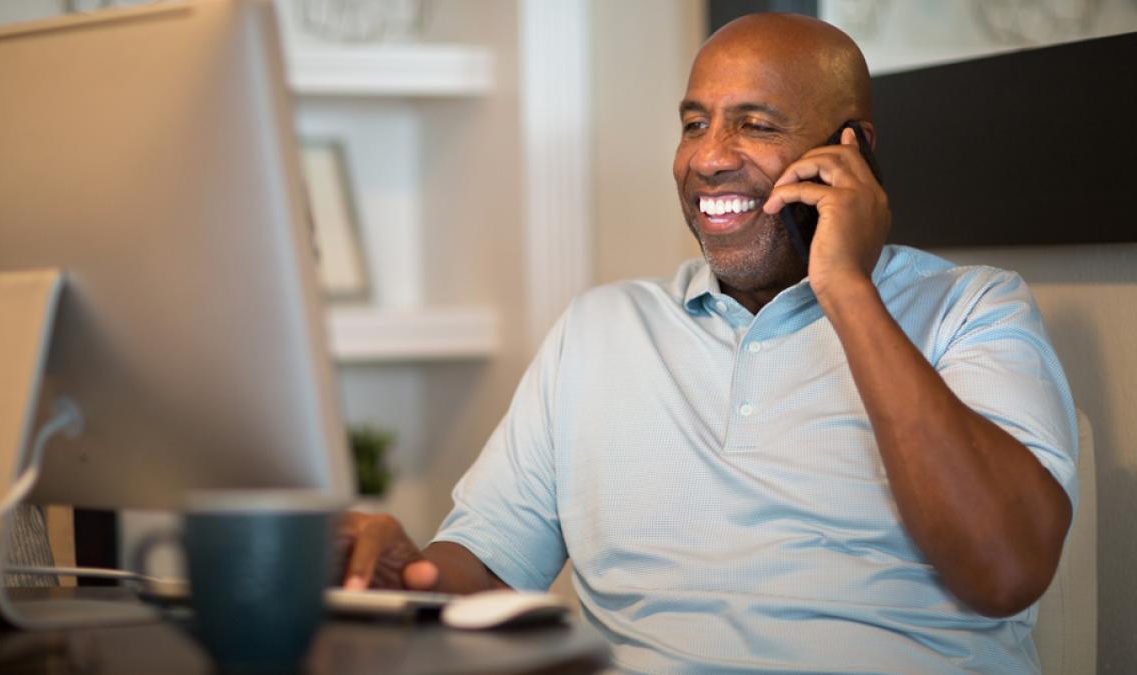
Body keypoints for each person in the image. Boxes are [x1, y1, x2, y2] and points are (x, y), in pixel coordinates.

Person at [337, 13, 1077, 673]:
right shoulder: (600, 330)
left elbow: (1005, 568)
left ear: (852, 151)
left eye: (755, 124)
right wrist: (403, 579)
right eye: (695, 123)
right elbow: (489, 573)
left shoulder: (974, 309)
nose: (709, 158)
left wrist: (846, 287)